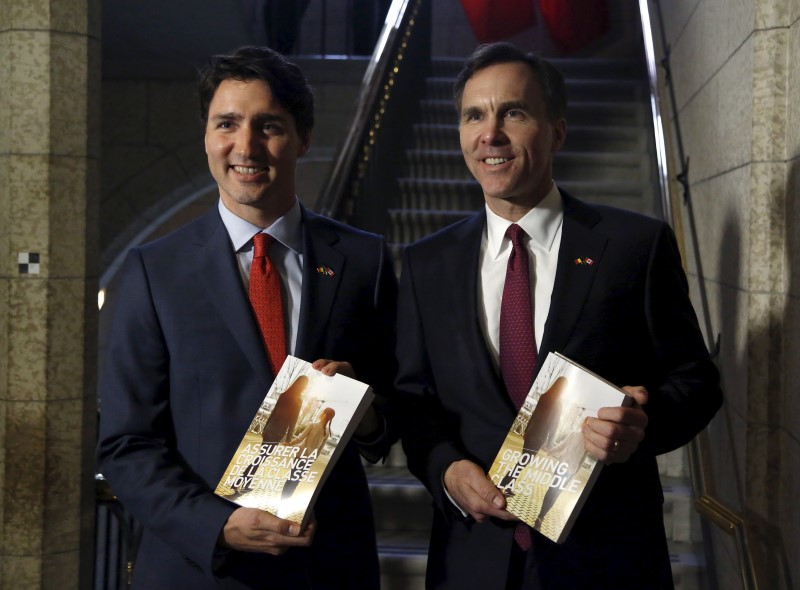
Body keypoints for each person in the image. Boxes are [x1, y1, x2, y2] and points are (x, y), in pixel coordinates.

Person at [395, 42, 723, 589]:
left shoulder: (634, 246)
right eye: (474, 115)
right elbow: (414, 401)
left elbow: (697, 381)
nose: (490, 134)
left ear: (558, 131)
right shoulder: (427, 263)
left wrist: (642, 425)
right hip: (474, 560)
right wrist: (447, 471)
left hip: (608, 557)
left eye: (514, 113)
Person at [96, 45, 397, 589]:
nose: (246, 146)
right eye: (227, 124)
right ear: (206, 137)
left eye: (268, 126)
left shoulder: (364, 260)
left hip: (329, 565)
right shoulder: (153, 271)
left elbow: (396, 410)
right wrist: (219, 525)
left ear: (302, 138)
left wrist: (368, 412)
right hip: (199, 569)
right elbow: (126, 444)